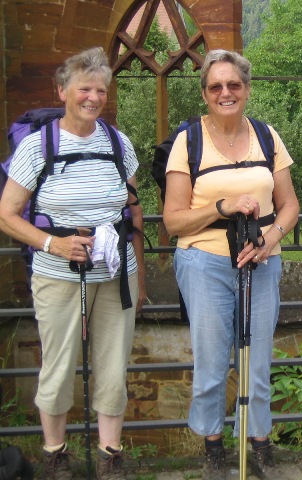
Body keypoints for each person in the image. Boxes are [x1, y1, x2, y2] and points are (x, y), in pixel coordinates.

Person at [0, 48, 146, 480]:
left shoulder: (119, 143)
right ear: (62, 91)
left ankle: (110, 456)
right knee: (59, 365)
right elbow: (7, 213)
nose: (93, 97)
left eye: (101, 90)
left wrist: (138, 278)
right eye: (84, 88)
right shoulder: (36, 146)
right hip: (57, 275)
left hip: (115, 273)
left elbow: (132, 211)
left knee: (113, 365)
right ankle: (56, 456)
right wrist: (53, 244)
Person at [162, 49, 299, 480]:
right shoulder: (189, 141)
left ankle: (258, 444)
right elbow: (172, 220)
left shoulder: (267, 135)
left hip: (262, 261)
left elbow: (290, 204)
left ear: (247, 89)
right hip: (204, 263)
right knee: (211, 361)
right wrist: (221, 206)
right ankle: (213, 447)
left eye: (234, 85)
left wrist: (272, 237)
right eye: (216, 86)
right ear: (204, 93)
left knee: (257, 361)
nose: (226, 92)